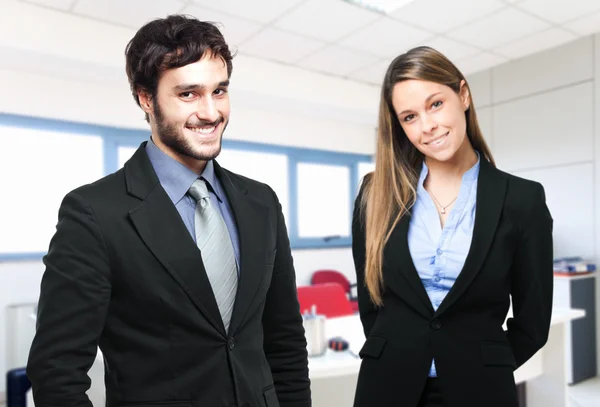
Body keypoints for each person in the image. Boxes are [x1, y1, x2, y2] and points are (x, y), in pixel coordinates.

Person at [27, 15, 311, 407]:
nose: (211, 113)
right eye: (189, 94)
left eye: (220, 91)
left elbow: (285, 342)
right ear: (146, 98)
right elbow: (56, 372)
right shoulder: (93, 213)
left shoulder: (261, 202)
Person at [351, 46, 553, 407]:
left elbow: (533, 321)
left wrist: (487, 364)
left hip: (481, 389)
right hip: (387, 386)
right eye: (410, 116)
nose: (427, 126)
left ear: (463, 95)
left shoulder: (522, 199)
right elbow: (372, 306)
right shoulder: (375, 193)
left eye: (435, 104)